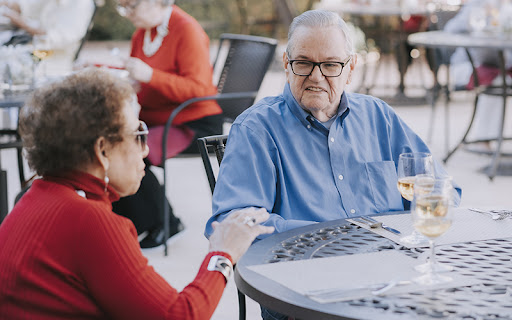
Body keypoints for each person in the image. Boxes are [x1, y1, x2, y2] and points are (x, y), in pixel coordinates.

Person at [0, 68, 274, 319]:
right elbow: (179, 316)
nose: (145, 149)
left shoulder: (33, 198)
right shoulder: (90, 222)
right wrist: (223, 253)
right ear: (102, 150)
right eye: (138, 134)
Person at [106, 0, 224, 248]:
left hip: (192, 121)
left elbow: (200, 90)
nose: (127, 14)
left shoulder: (187, 30)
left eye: (132, 6)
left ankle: (166, 222)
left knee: (131, 151)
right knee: (107, 144)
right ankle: (124, 222)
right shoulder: (142, 33)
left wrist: (150, 76)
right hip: (156, 118)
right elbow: (144, 85)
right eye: (122, 7)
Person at [444, 0, 512, 152]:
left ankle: (489, 138)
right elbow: (450, 29)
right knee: (498, 81)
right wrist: (476, 16)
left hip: (499, 66)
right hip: (467, 65)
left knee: (502, 79)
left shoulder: (508, 9)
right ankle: (484, 139)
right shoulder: (477, 4)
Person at [0, 0, 95, 75]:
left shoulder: (81, 4)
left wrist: (20, 22)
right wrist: (6, 3)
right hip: (32, 55)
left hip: (54, 64)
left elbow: (54, 39)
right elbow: (26, 6)